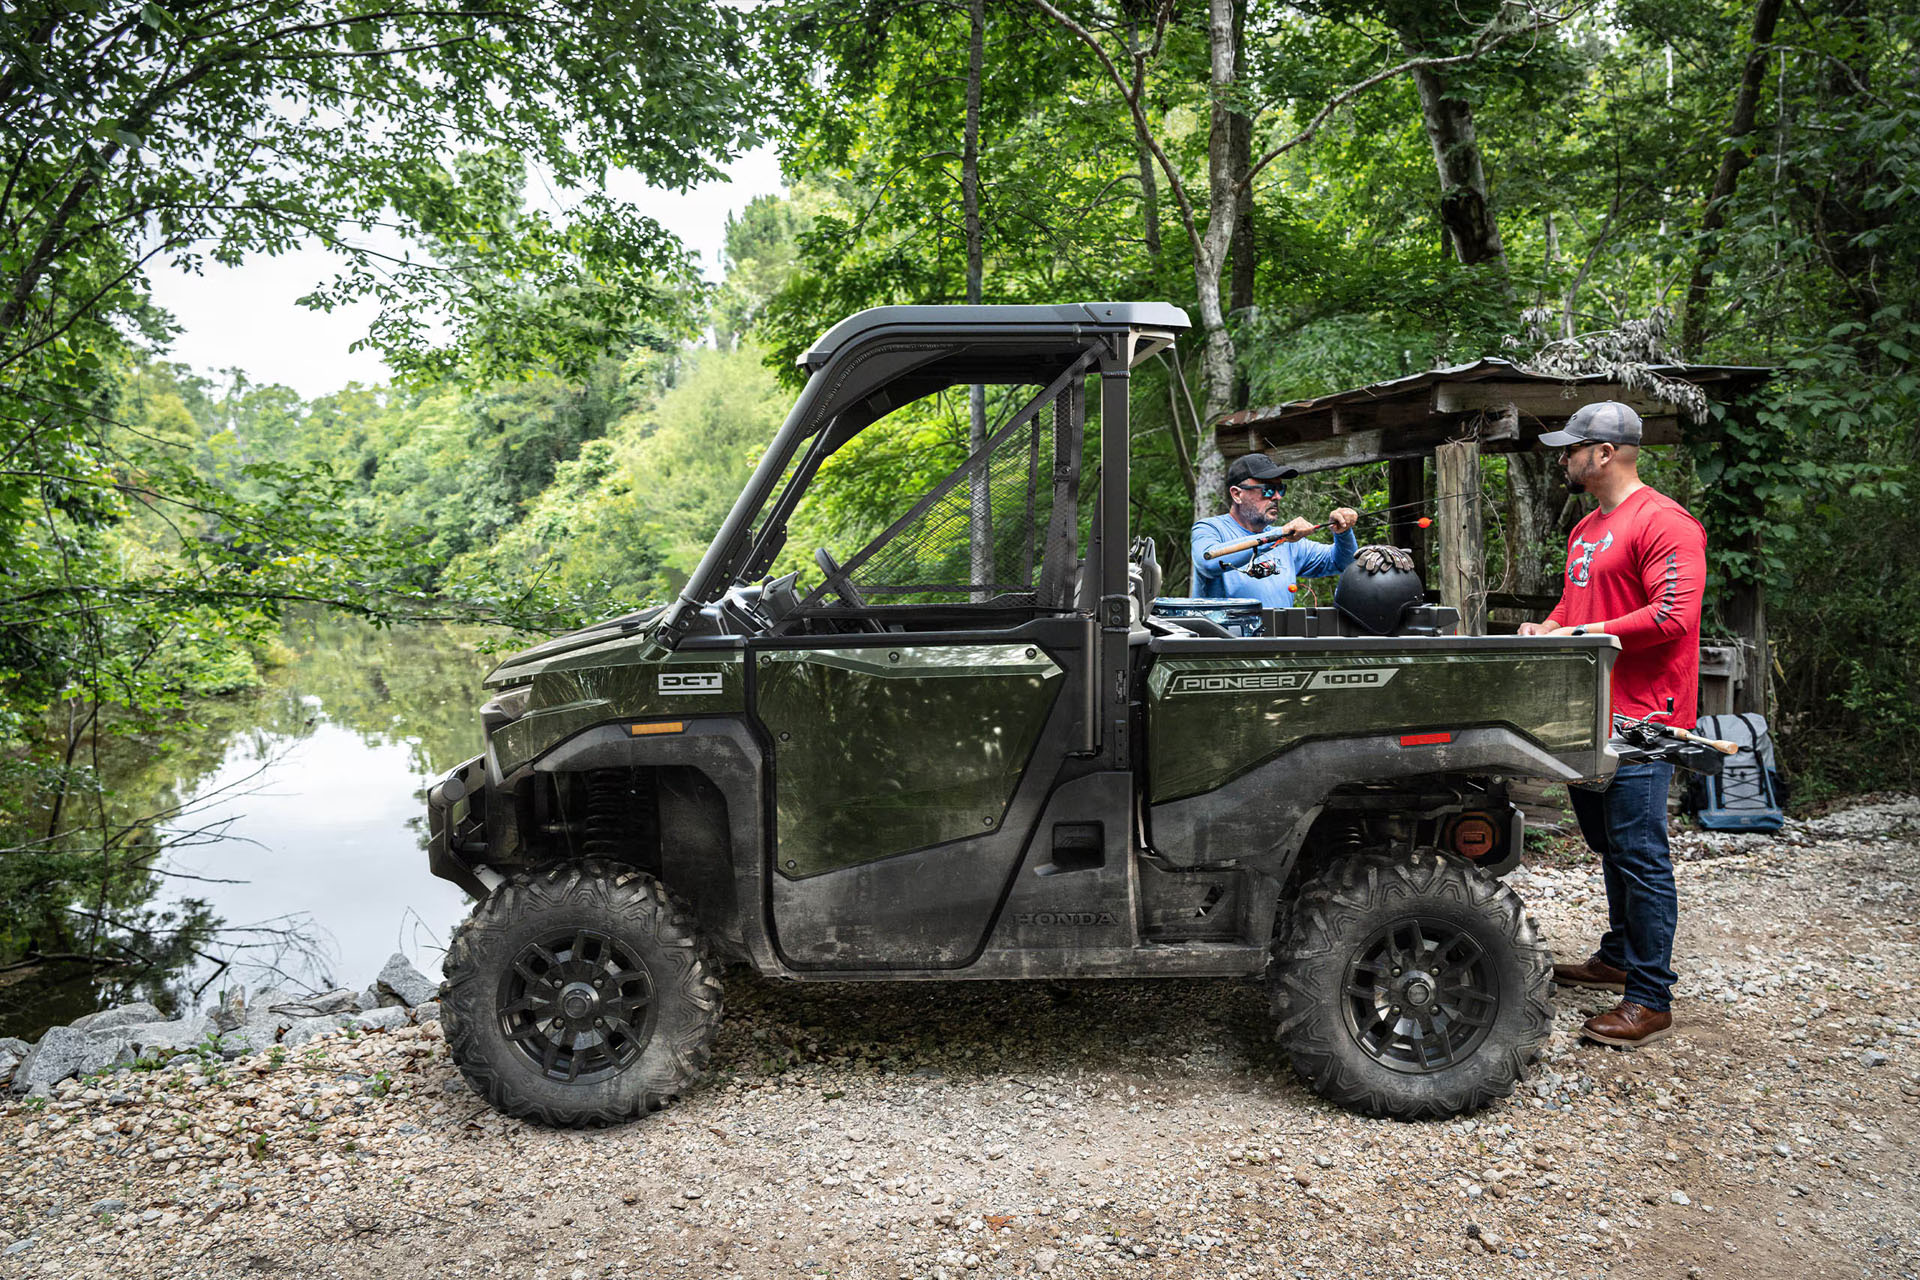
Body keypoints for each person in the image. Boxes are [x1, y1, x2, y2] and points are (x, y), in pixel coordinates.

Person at [1521, 401, 1706, 1049]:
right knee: (1608, 844)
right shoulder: (1584, 530)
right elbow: (1573, 606)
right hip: (1588, 713)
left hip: (1643, 718)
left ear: (1604, 453)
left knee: (1641, 853)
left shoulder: (1665, 522)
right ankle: (1619, 955)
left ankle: (1650, 997)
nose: (1563, 456)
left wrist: (1583, 631)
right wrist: (1544, 629)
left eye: (1571, 447)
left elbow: (1673, 617)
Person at [1190, 454, 1359, 605]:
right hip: (1223, 640)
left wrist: (1342, 532)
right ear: (1237, 494)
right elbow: (1208, 562)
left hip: (1278, 640)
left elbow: (1342, 563)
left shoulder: (1288, 542)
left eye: (1281, 489)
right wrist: (1280, 535)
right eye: (1268, 489)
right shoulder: (1209, 528)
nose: (1277, 497)